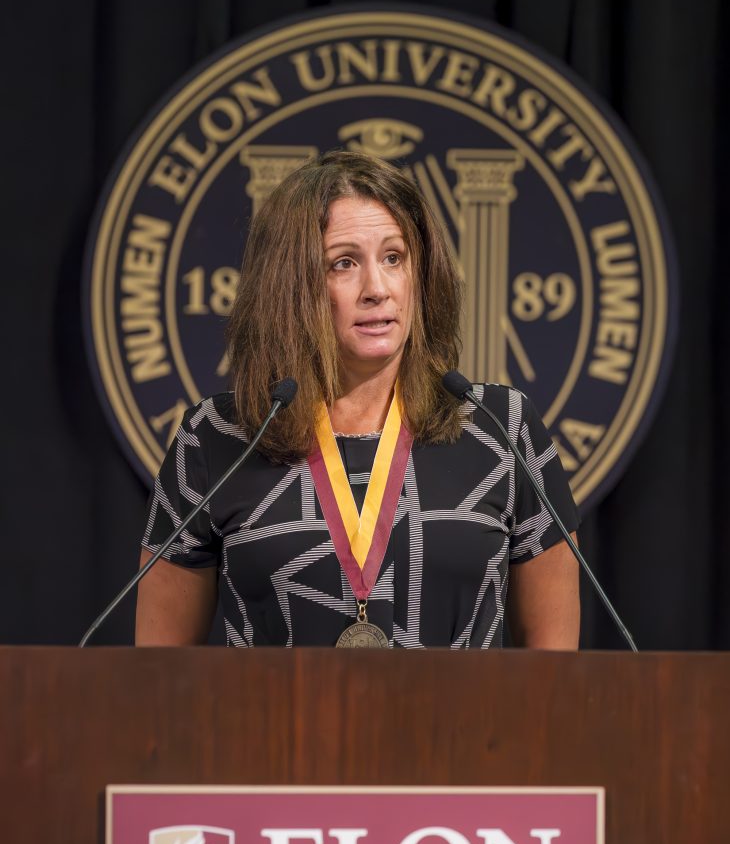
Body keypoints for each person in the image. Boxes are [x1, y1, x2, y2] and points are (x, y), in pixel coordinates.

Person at [136, 150, 580, 648]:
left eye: (394, 258)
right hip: (278, 705)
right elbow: (159, 672)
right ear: (290, 285)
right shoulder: (217, 439)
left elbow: (554, 672)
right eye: (343, 263)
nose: (377, 289)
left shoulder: (502, 428)